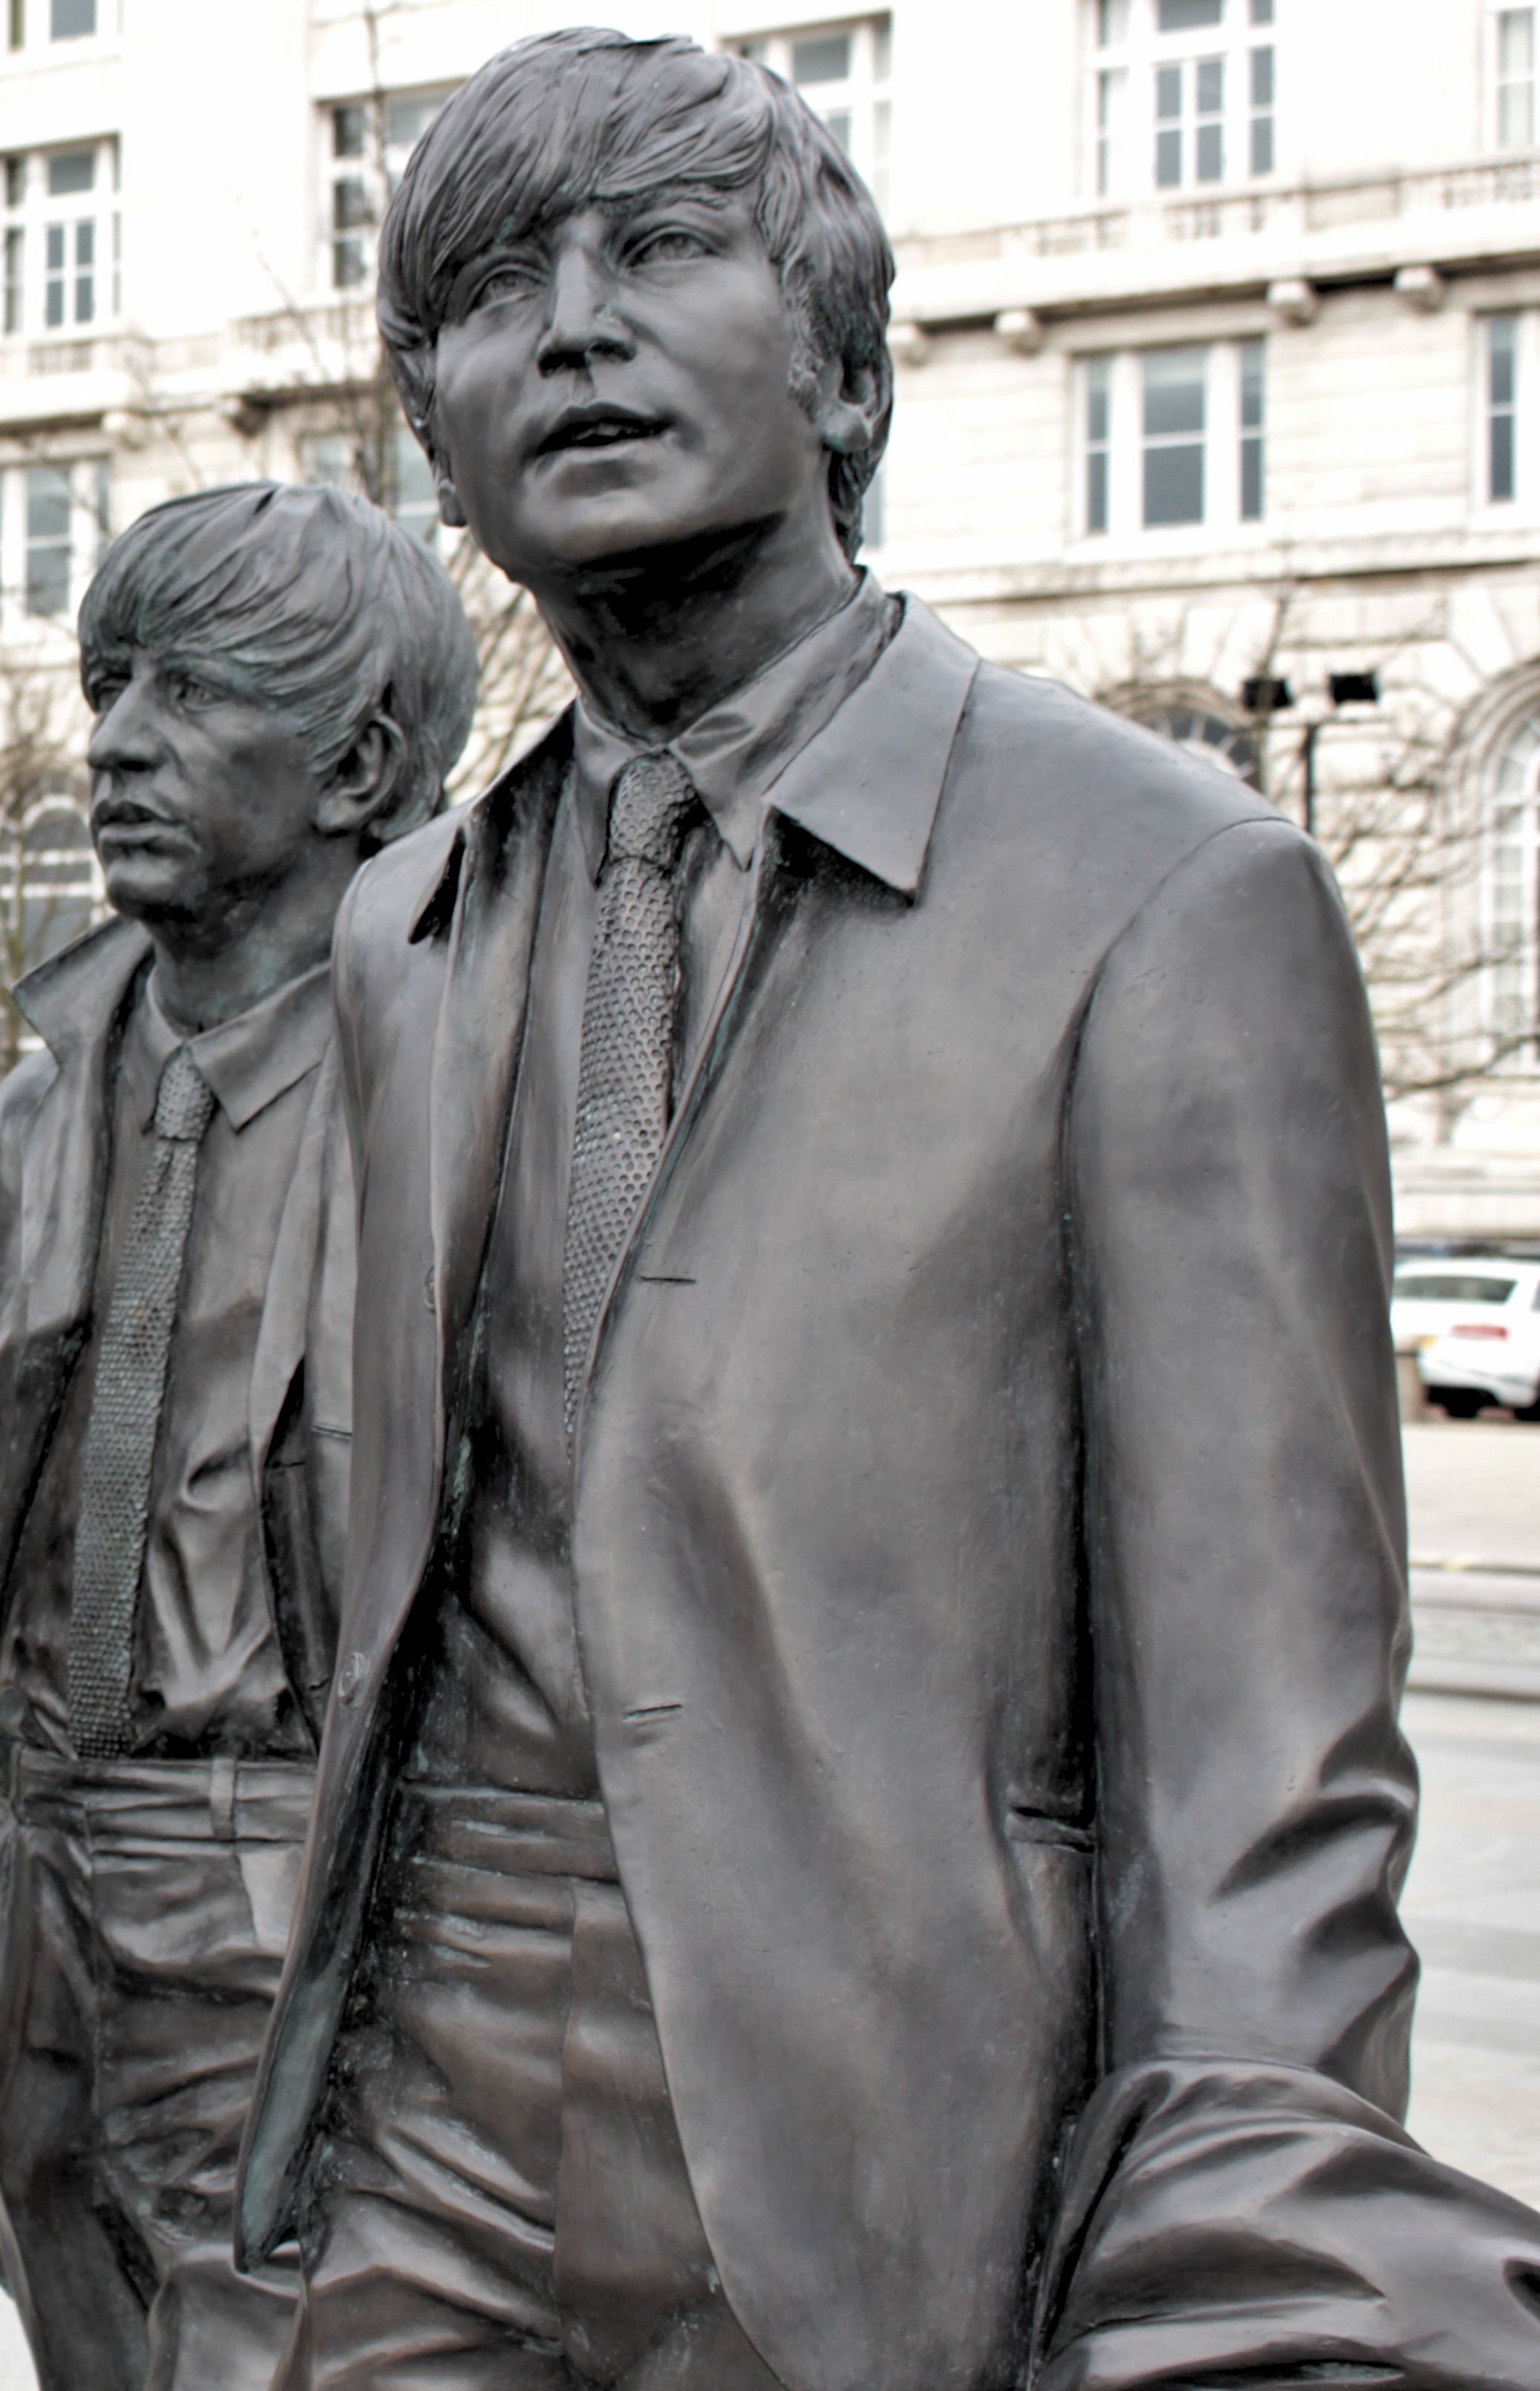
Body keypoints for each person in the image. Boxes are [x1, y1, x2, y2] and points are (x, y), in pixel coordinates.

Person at [235, 32, 1540, 2390]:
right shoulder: (404, 929)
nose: (575, 324)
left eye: (662, 254)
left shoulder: (1164, 892)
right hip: (426, 2118)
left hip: (890, 2151)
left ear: (843, 371)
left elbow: (1266, 1775)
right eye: (493, 290)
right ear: (436, 436)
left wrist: (1252, 2303)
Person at [0, 482, 476, 2391]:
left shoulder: (473, 1110)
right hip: (40, 1883)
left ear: (360, 765)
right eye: (107, 683)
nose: (112, 741)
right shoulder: (25, 1122)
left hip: (298, 1896)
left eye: (189, 690)